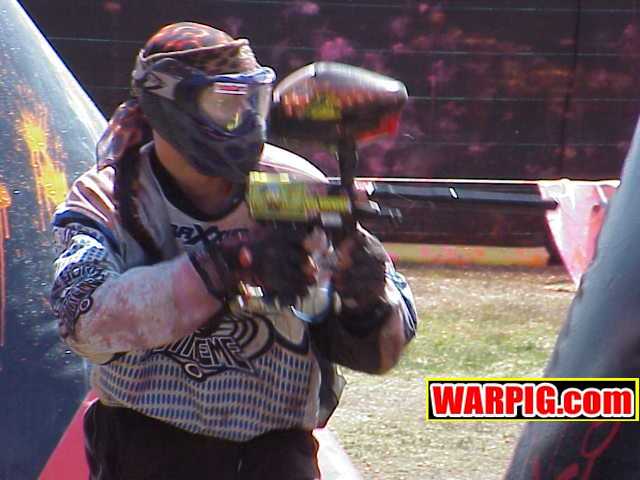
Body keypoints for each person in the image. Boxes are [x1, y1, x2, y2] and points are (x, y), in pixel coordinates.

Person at [50, 21, 417, 479]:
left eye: (252, 101)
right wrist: (226, 266)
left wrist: (366, 300)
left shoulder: (296, 186)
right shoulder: (113, 197)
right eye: (225, 103)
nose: (243, 119)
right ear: (169, 107)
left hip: (276, 454)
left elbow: (380, 350)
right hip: (149, 447)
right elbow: (83, 321)